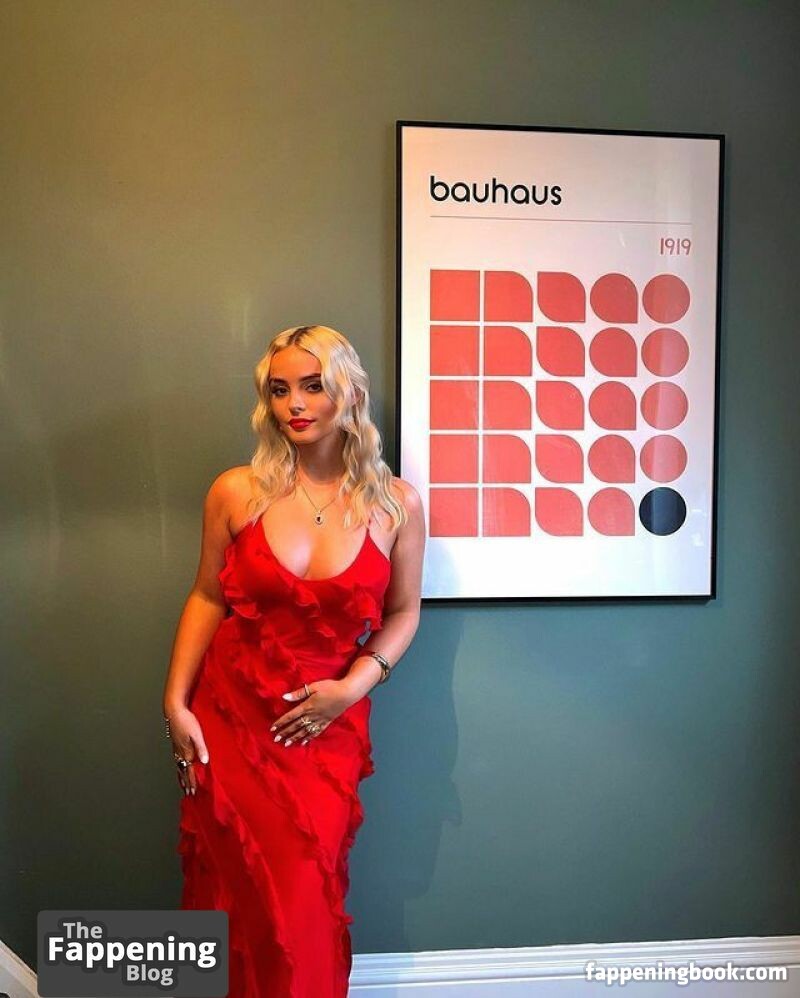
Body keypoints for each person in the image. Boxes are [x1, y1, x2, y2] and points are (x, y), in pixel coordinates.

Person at [161, 324, 425, 998]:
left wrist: (352, 688)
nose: (295, 405)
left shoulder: (395, 504)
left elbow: (404, 613)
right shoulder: (236, 492)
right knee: (229, 892)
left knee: (306, 892)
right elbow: (207, 596)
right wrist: (175, 703)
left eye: (313, 386)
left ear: (349, 393)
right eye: (280, 390)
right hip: (229, 721)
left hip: (323, 731)